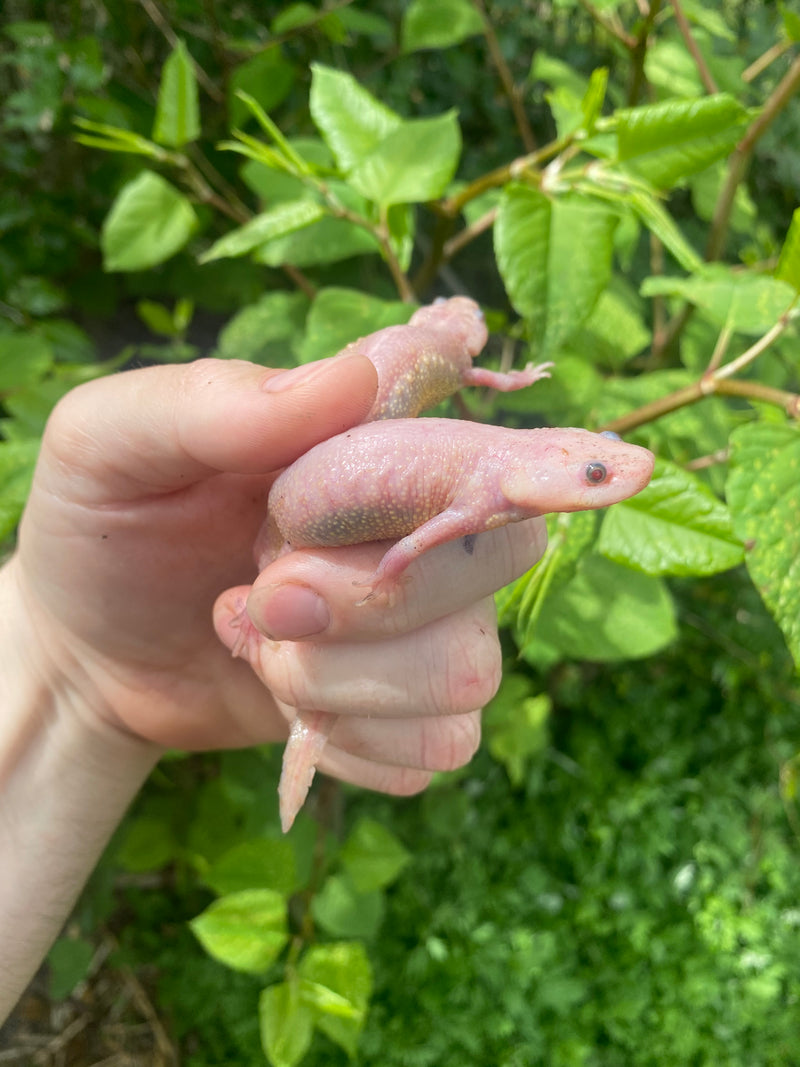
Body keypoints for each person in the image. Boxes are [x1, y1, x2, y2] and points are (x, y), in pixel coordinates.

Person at [0, 353, 547, 1021]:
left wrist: (68, 669)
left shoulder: (472, 414)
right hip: (289, 530)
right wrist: (58, 657)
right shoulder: (468, 408)